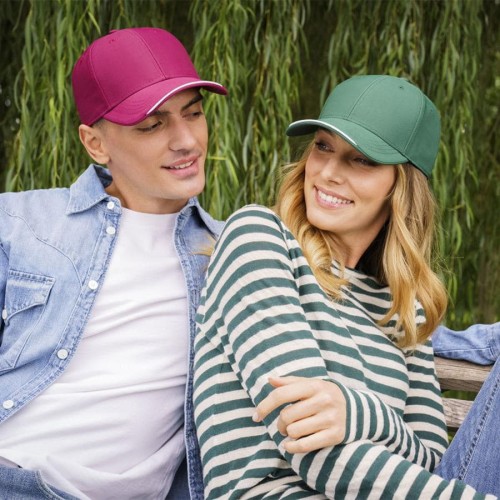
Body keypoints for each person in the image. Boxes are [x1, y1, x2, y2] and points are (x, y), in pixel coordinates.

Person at [194, 75, 498, 498]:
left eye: (362, 160)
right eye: (323, 146)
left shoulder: (403, 308)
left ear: (402, 187)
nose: (328, 173)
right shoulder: (258, 239)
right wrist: (381, 422)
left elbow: (431, 461)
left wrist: (359, 413)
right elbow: (312, 448)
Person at [0, 27, 226, 499]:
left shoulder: (233, 252)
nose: (187, 141)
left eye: (194, 113)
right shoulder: (18, 224)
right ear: (95, 143)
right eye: (153, 125)